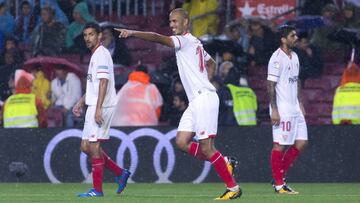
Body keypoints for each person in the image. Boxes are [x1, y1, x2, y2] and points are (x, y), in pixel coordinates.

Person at [115, 8, 241, 200]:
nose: (172, 25)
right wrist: (206, 79)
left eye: (175, 21)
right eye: (170, 22)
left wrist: (133, 33)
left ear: (186, 22)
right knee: (182, 142)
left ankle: (233, 188)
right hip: (196, 100)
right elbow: (211, 63)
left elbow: (157, 37)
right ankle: (224, 162)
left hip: (204, 98)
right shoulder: (195, 42)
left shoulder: (183, 41)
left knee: (207, 147)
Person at [72, 22, 130, 197]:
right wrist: (81, 102)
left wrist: (98, 109)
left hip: (102, 105)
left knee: (95, 145)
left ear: (99, 36)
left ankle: (97, 190)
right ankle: (120, 172)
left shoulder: (102, 55)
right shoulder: (95, 55)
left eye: (91, 34)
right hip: (93, 104)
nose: (87, 38)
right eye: (85, 35)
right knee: (85, 147)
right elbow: (95, 84)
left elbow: (104, 83)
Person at [267, 25, 308, 194]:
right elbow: (270, 85)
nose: (296, 38)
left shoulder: (295, 56)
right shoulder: (276, 59)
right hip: (282, 108)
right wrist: (274, 110)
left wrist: (300, 102)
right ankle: (279, 184)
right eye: (292, 36)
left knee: (302, 142)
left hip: (294, 108)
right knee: (280, 145)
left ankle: (278, 176)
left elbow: (296, 80)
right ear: (283, 39)